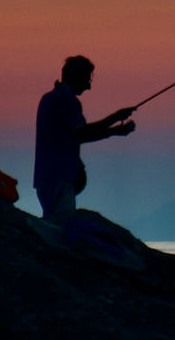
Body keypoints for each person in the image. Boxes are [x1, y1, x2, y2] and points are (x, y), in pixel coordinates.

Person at [33, 55, 136, 222]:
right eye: (87, 79)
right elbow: (83, 133)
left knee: (52, 223)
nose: (88, 86)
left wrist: (115, 126)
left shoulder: (49, 98)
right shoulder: (66, 99)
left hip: (47, 177)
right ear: (76, 77)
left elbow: (77, 136)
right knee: (62, 227)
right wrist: (115, 123)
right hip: (60, 177)